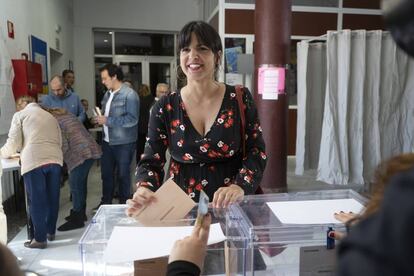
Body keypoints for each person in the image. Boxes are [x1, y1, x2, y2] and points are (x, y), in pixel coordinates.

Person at [127, 21, 266, 218]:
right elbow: (151, 159)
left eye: (202, 48)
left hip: (230, 205)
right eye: (186, 49)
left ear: (217, 56)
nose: (193, 56)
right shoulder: (165, 106)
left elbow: (256, 150)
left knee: (232, 248)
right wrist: (145, 188)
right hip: (180, 208)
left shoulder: (239, 98)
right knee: (186, 250)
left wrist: (240, 185)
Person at [0, 96, 62, 249]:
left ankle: (40, 239)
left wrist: (2, 153)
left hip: (34, 160)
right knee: (52, 197)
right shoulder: (50, 116)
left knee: (37, 199)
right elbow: (59, 140)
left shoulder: (20, 115)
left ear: (21, 106)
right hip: (55, 159)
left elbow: (13, 143)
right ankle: (50, 232)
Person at [43, 107, 102, 231]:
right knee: (80, 184)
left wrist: (56, 158)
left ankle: (78, 219)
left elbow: (63, 144)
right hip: (88, 149)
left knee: (75, 186)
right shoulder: (65, 114)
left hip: (79, 154)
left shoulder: (54, 121)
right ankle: (80, 213)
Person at [93, 64, 139, 206]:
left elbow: (132, 119)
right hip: (107, 141)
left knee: (123, 176)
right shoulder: (107, 94)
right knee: (106, 175)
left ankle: (123, 206)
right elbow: (107, 114)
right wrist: (100, 118)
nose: (103, 81)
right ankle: (105, 203)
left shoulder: (130, 95)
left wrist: (107, 120)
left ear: (114, 77)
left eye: (105, 78)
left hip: (124, 143)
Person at [136, 84, 155, 163]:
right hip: (149, 125)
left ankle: (139, 163)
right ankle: (148, 163)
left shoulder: (137, 100)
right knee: (149, 147)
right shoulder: (152, 99)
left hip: (139, 126)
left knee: (139, 147)